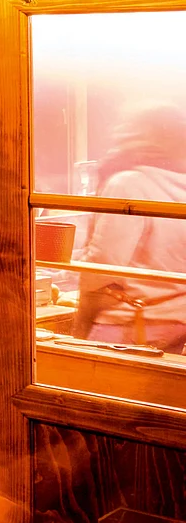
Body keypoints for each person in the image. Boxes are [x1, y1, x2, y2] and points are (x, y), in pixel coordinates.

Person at [79, 102, 186, 351]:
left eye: (129, 131)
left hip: (131, 321)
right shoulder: (180, 183)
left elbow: (104, 262)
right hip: (177, 320)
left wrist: (77, 274)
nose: (119, 137)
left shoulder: (128, 184)